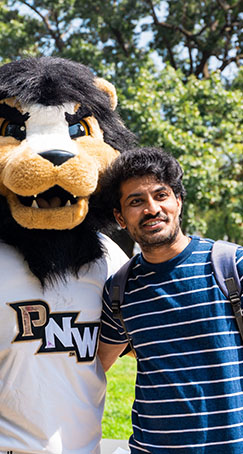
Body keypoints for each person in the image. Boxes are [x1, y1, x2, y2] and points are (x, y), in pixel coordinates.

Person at [97, 147, 243, 454]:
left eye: (161, 195)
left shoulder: (231, 266)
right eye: (136, 201)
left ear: (177, 201)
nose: (152, 209)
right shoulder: (119, 290)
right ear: (120, 218)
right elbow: (93, 366)